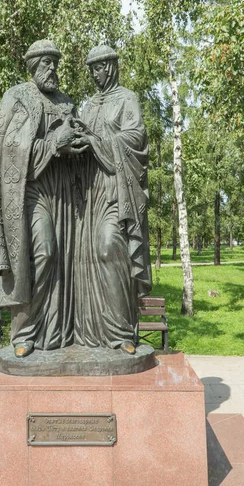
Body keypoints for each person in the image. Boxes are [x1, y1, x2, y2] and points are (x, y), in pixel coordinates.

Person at [0, 40, 85, 358]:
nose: (53, 68)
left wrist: (76, 143)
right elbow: (10, 152)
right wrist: (56, 141)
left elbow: (74, 145)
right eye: (46, 62)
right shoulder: (17, 97)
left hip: (64, 194)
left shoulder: (66, 102)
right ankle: (26, 331)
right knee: (43, 254)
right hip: (31, 191)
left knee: (65, 262)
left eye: (55, 62)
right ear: (33, 66)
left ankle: (60, 331)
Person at [73, 45, 152, 355]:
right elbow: (83, 137)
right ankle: (90, 333)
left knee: (109, 249)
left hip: (116, 189)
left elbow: (137, 138)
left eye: (100, 67)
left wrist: (96, 140)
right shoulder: (89, 104)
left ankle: (121, 333)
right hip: (88, 194)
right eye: (91, 68)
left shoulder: (127, 99)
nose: (95, 73)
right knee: (85, 259)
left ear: (112, 67)